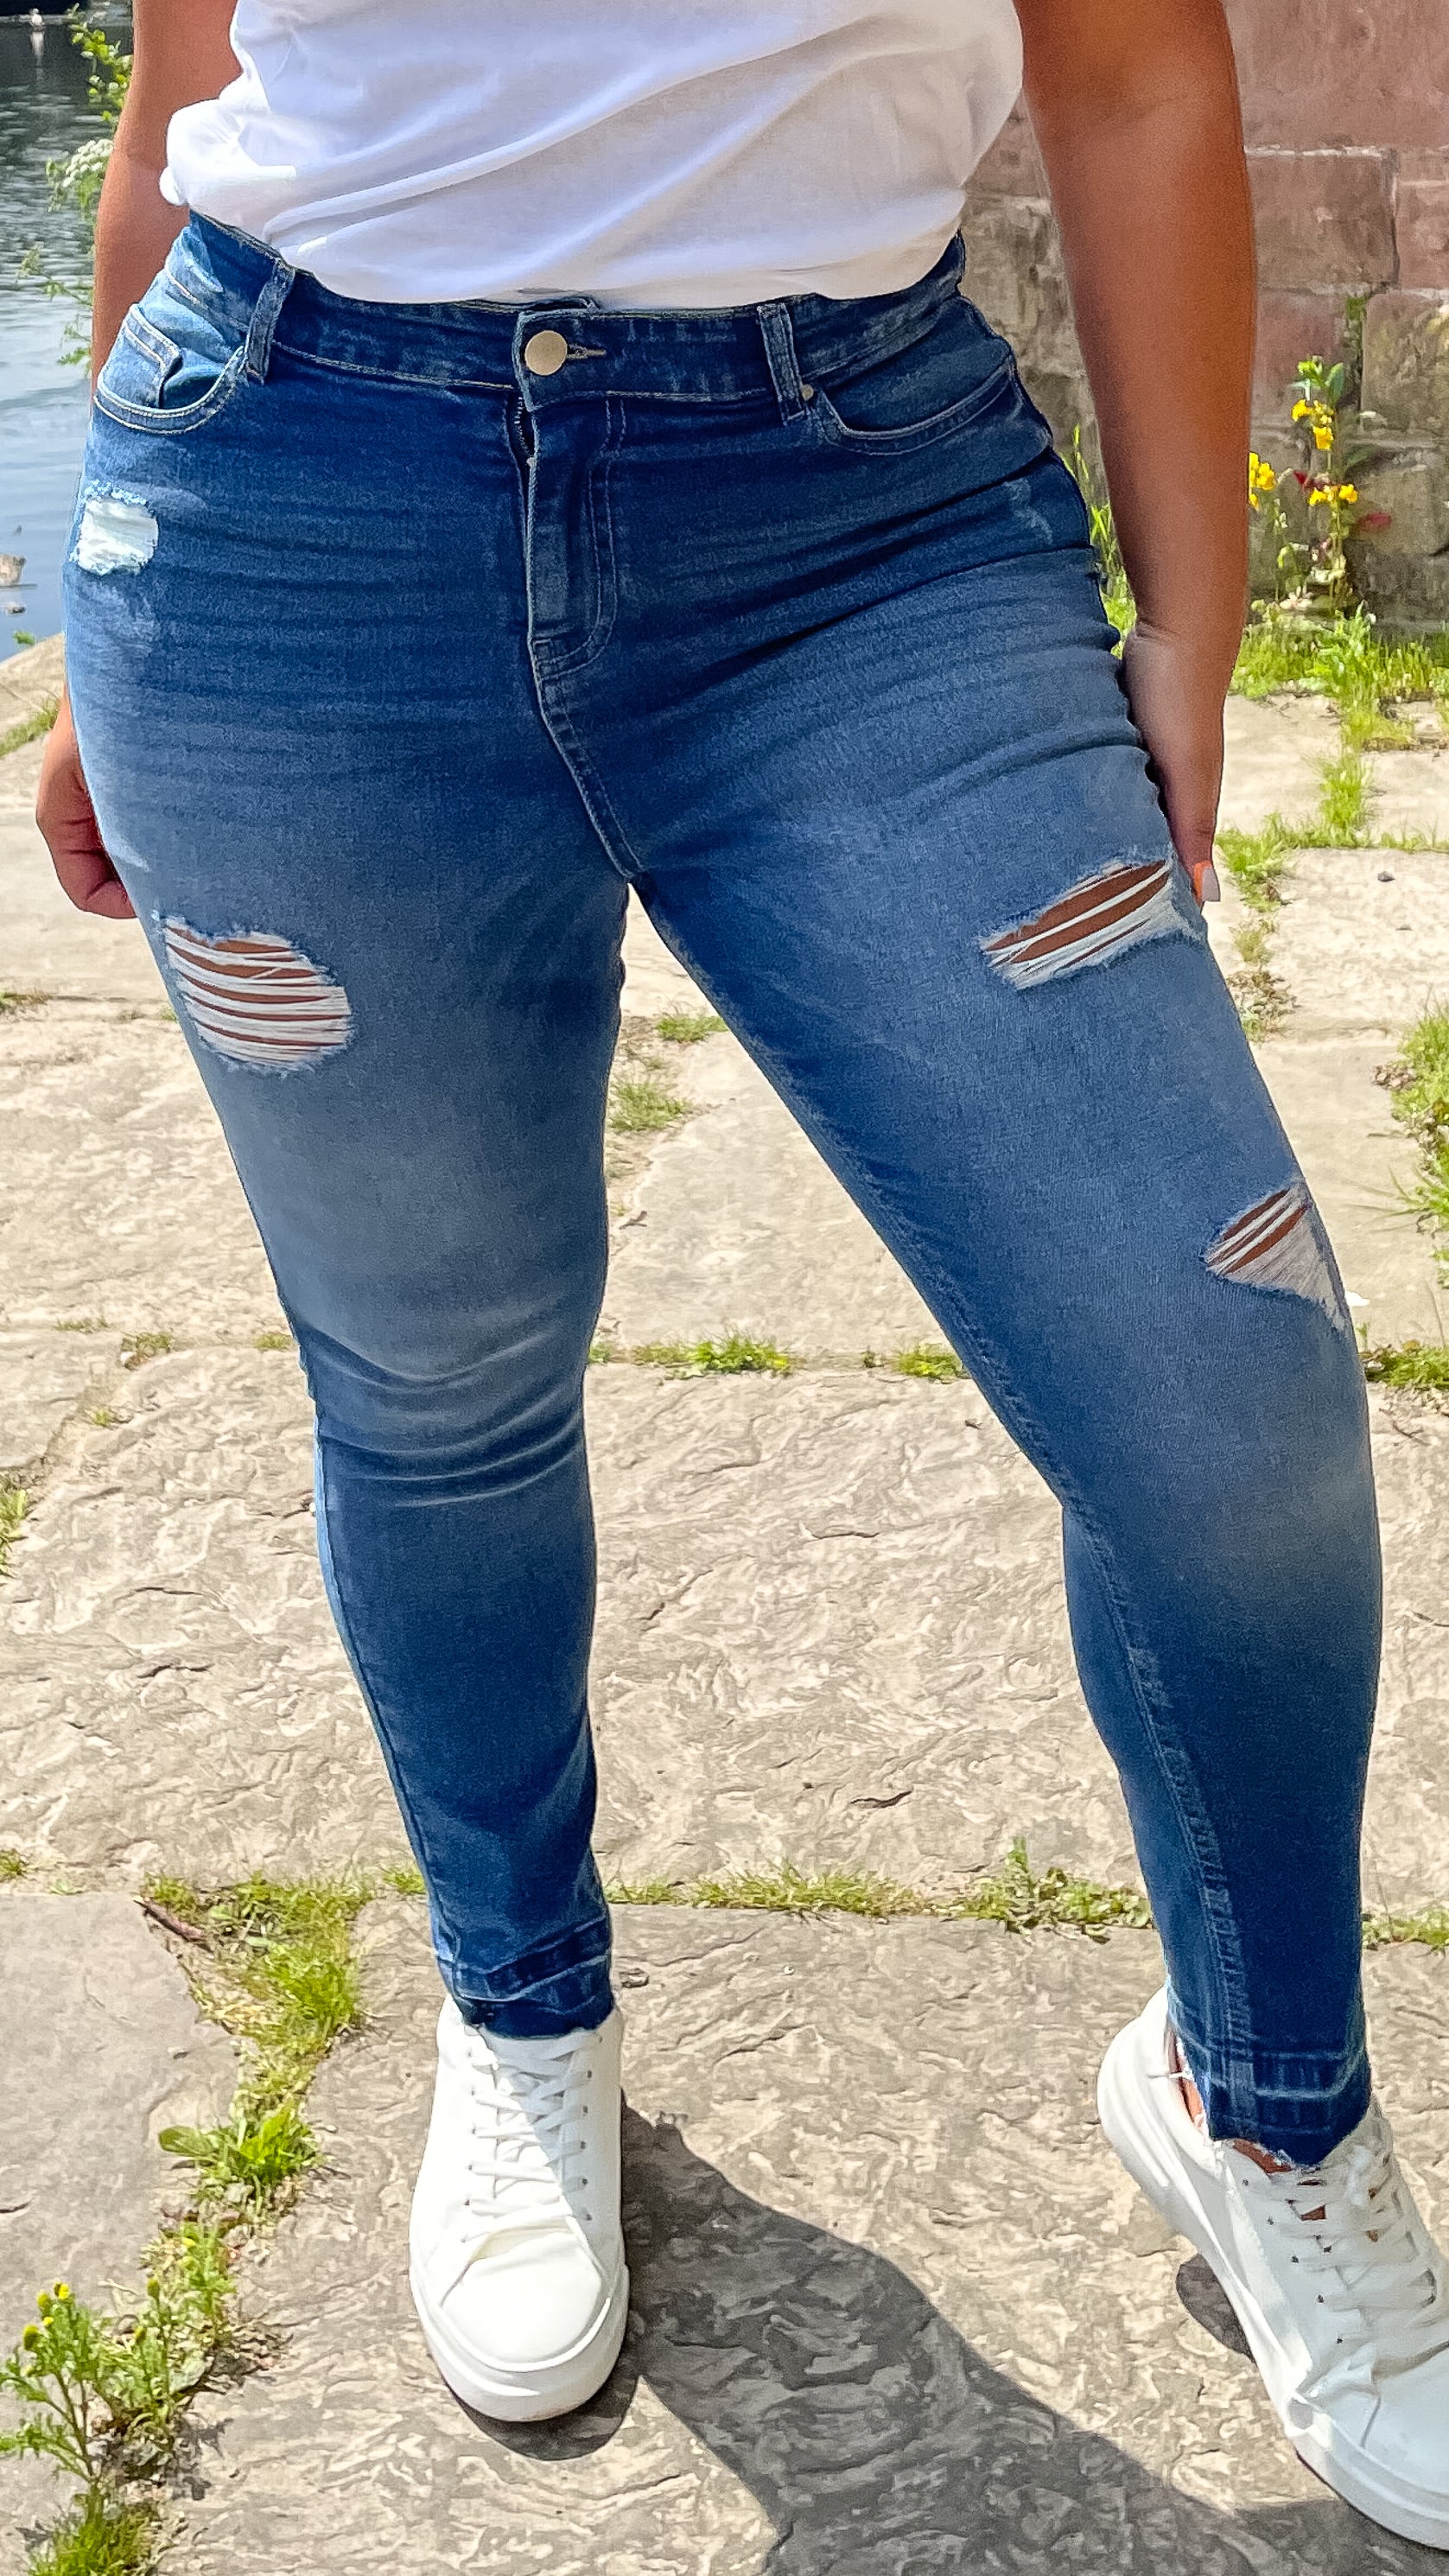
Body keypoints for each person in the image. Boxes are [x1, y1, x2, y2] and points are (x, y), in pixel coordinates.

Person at [36, 0, 1449, 2539]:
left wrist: (1197, 615)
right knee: (437, 1380)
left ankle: (1261, 2107)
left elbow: (1136, 67)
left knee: (1218, 1402)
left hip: (855, 519)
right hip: (279, 520)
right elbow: (189, 68)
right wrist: (93, 638)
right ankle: (523, 2011)